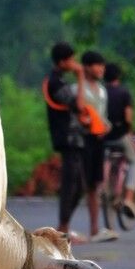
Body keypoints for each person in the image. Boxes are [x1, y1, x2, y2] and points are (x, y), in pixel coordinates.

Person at [43, 42, 87, 240]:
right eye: (71, 60)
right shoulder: (55, 83)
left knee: (79, 185)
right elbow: (80, 106)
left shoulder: (58, 80)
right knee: (71, 184)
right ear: (62, 62)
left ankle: (64, 226)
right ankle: (62, 229)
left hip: (74, 138)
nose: (75, 63)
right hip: (67, 138)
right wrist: (81, 76)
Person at [80, 51, 118, 242]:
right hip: (84, 139)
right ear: (87, 67)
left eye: (102, 65)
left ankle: (94, 228)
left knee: (95, 184)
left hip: (99, 139)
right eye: (97, 65)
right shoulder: (79, 88)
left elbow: (102, 116)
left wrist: (107, 126)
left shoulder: (102, 91)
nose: (101, 69)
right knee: (84, 183)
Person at [103, 62, 135, 219]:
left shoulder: (101, 92)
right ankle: (129, 198)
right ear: (118, 76)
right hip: (120, 136)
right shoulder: (124, 93)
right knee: (134, 161)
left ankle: (102, 187)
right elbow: (128, 117)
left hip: (103, 137)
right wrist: (129, 132)